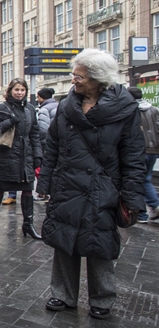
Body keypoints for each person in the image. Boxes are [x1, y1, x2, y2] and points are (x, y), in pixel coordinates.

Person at [38, 49, 146, 320]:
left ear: (98, 79)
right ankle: (63, 293)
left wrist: (133, 197)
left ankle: (102, 297)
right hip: (67, 183)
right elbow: (53, 146)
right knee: (64, 239)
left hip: (103, 187)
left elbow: (133, 156)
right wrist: (45, 182)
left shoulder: (124, 109)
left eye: (80, 76)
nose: (73, 80)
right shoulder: (66, 106)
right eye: (74, 75)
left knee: (100, 242)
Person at [0, 78, 42, 238]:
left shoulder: (30, 108)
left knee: (28, 189)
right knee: (1, 186)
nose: (19, 93)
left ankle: (28, 224)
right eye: (16, 90)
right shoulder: (3, 107)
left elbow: (34, 133)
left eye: (22, 90)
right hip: (7, 153)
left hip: (26, 154)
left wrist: (38, 154)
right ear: (10, 91)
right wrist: (10, 121)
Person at [128, 87, 159, 223]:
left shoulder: (131, 110)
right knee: (145, 178)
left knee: (139, 180)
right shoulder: (154, 110)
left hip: (139, 151)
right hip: (153, 150)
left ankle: (145, 212)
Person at [36, 87, 58, 151]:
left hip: (48, 143)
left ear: (42, 97)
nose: (37, 99)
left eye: (38, 97)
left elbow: (43, 129)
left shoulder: (44, 109)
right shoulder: (59, 105)